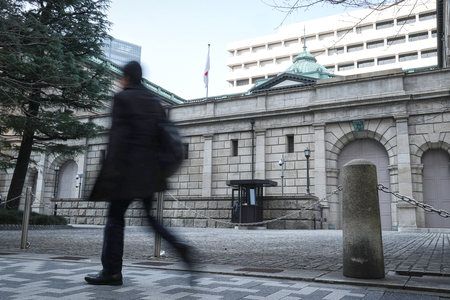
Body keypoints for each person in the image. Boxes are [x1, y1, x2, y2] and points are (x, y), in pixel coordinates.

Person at [85, 61, 193, 286]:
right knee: (151, 219)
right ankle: (182, 249)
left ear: (126, 78)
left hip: (126, 172)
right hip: (150, 173)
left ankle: (111, 272)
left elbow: (118, 139)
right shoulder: (154, 101)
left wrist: (109, 174)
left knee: (115, 219)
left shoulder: (122, 98)